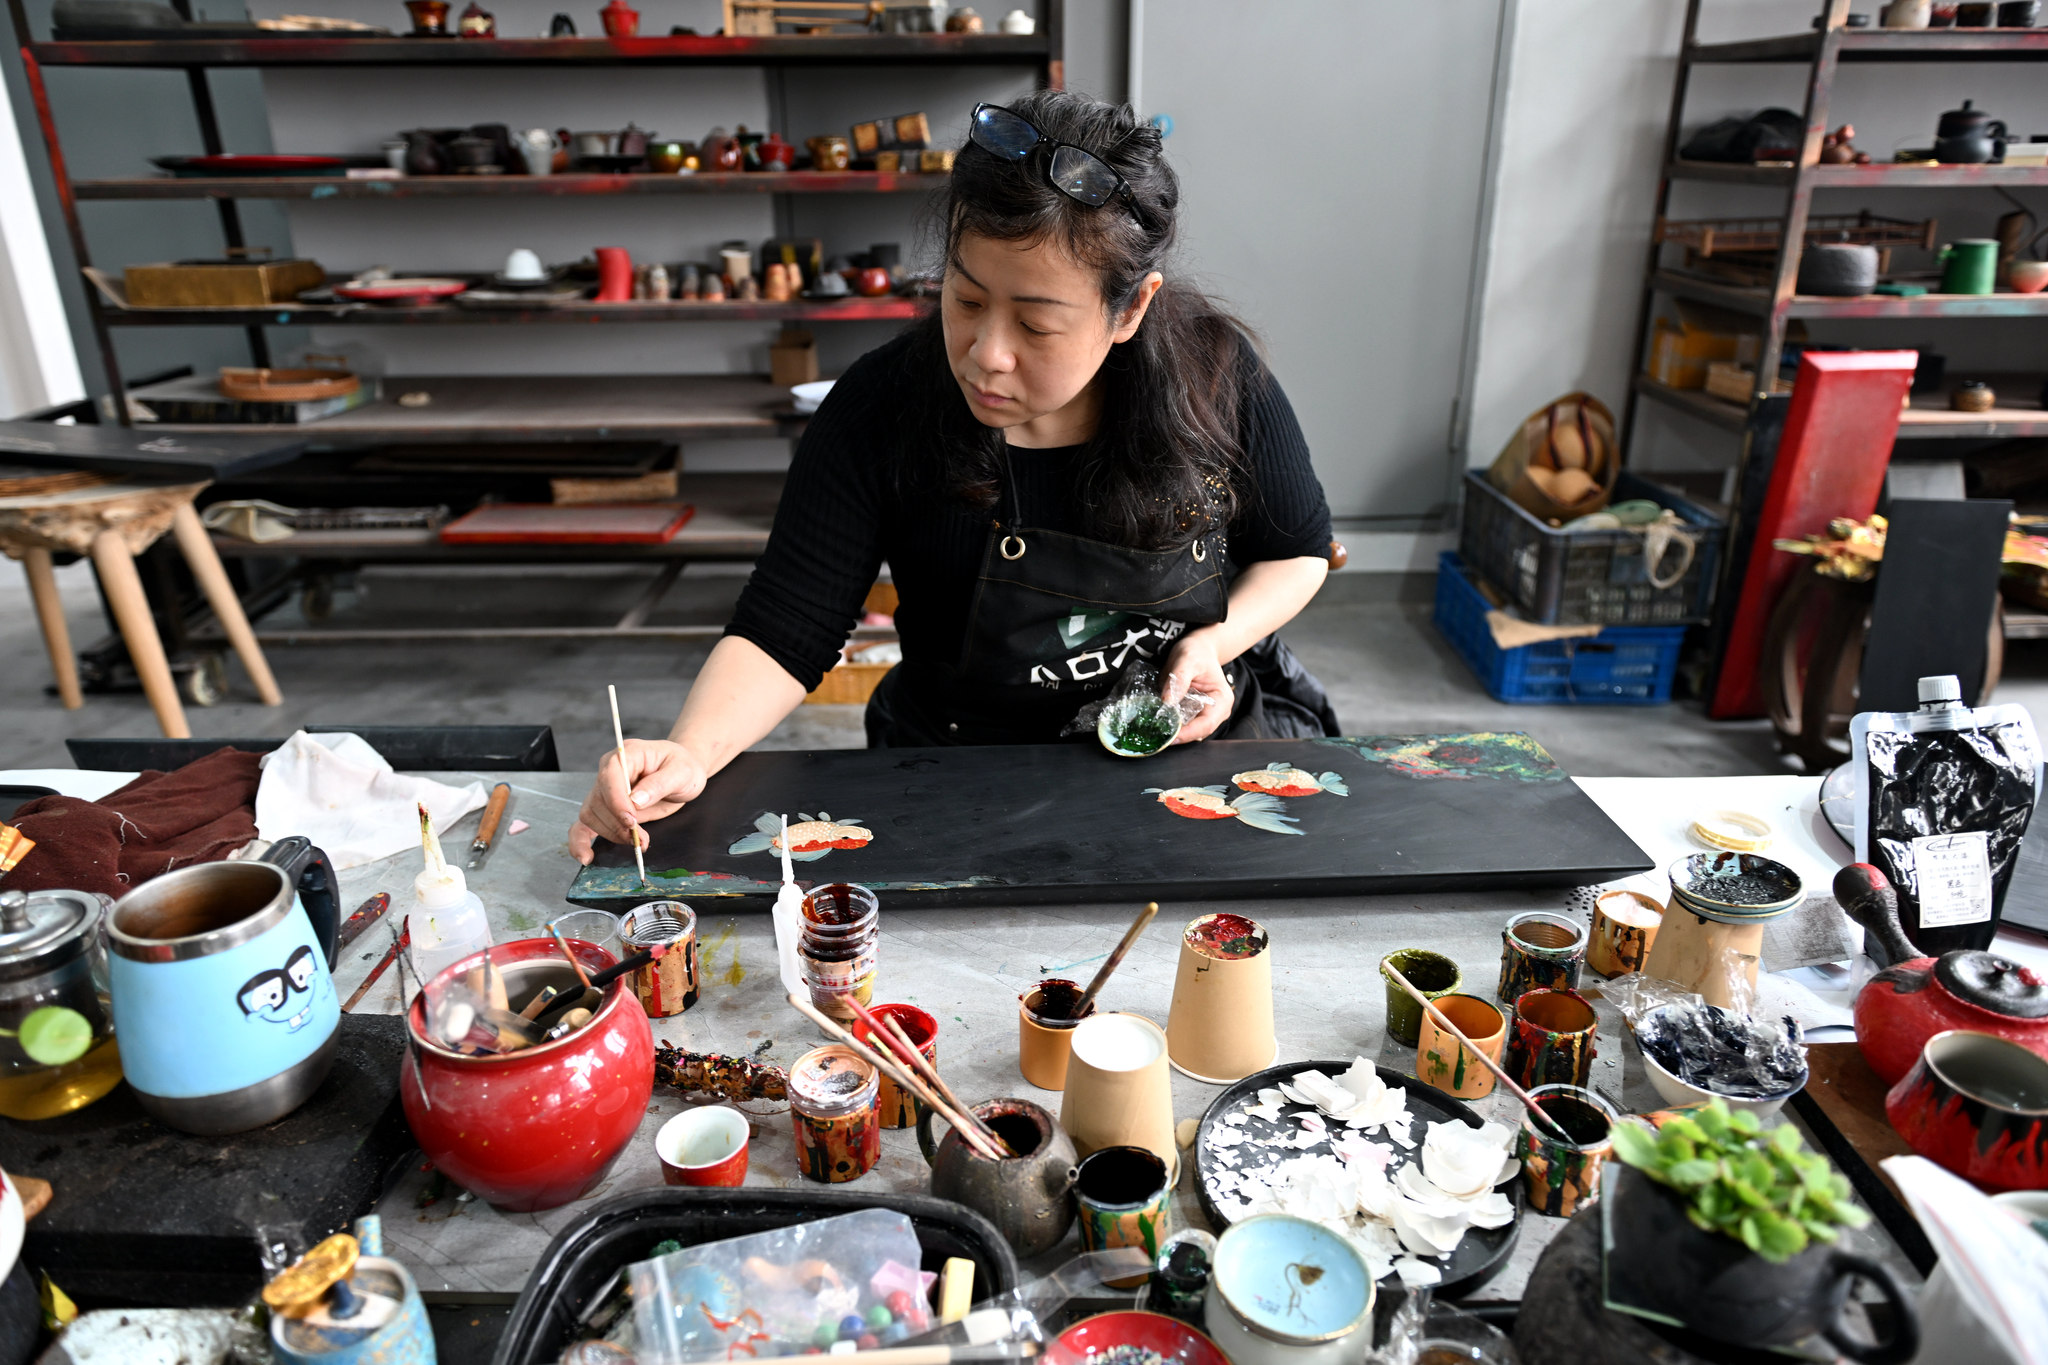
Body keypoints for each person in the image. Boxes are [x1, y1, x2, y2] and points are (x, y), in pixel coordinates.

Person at [572, 91, 1337, 864]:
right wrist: (690, 752)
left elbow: (1299, 548)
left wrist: (1217, 641)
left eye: (1035, 323)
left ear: (1131, 308)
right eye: (965, 298)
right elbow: (786, 625)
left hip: (1192, 763)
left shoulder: (1216, 378)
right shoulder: (883, 406)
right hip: (958, 774)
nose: (985, 353)